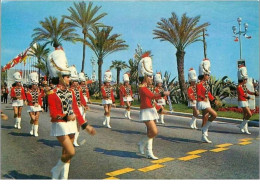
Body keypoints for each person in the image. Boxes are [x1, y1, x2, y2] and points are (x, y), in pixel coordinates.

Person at [47, 45, 96, 179]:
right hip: (60, 124)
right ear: (61, 77)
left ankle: (64, 179)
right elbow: (52, 113)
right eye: (67, 76)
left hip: (71, 125)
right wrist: (65, 116)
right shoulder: (52, 93)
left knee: (66, 153)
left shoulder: (71, 92)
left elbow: (76, 111)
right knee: (71, 151)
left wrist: (86, 126)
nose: (70, 79)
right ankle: (56, 170)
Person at [137, 53, 169, 160]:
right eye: (150, 76)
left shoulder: (149, 86)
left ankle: (149, 152)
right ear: (145, 76)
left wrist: (159, 109)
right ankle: (141, 143)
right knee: (154, 131)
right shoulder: (142, 87)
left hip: (151, 110)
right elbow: (151, 96)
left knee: (150, 132)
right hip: (145, 111)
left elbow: (152, 101)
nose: (151, 78)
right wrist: (163, 94)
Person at [197, 59, 218, 143]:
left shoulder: (206, 84)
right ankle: (204, 129)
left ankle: (203, 135)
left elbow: (208, 93)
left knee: (205, 118)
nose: (208, 76)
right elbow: (198, 94)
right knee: (214, 114)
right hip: (202, 102)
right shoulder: (199, 84)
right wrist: (203, 98)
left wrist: (213, 100)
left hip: (207, 102)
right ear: (203, 75)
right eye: (207, 75)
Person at [69, 66, 88, 147]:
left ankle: (75, 140)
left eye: (77, 81)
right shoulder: (69, 90)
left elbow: (82, 98)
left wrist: (85, 105)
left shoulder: (79, 89)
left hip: (79, 108)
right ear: (71, 82)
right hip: (72, 109)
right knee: (71, 124)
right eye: (74, 81)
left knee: (79, 124)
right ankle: (70, 139)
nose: (76, 83)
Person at [237, 65, 257, 134]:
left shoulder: (244, 86)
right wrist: (248, 97)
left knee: (245, 115)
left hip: (245, 101)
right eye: (245, 79)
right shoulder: (239, 86)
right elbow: (242, 94)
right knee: (249, 114)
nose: (246, 80)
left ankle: (245, 129)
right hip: (242, 101)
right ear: (242, 79)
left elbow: (248, 92)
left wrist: (254, 93)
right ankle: (241, 125)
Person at [26, 72, 43, 137]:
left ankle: (36, 132)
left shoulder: (39, 91)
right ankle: (32, 129)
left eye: (36, 84)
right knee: (33, 118)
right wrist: (33, 103)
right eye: (34, 84)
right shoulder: (28, 91)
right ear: (31, 85)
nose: (36, 85)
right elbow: (29, 98)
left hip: (37, 106)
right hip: (31, 106)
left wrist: (41, 106)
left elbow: (40, 99)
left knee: (36, 118)